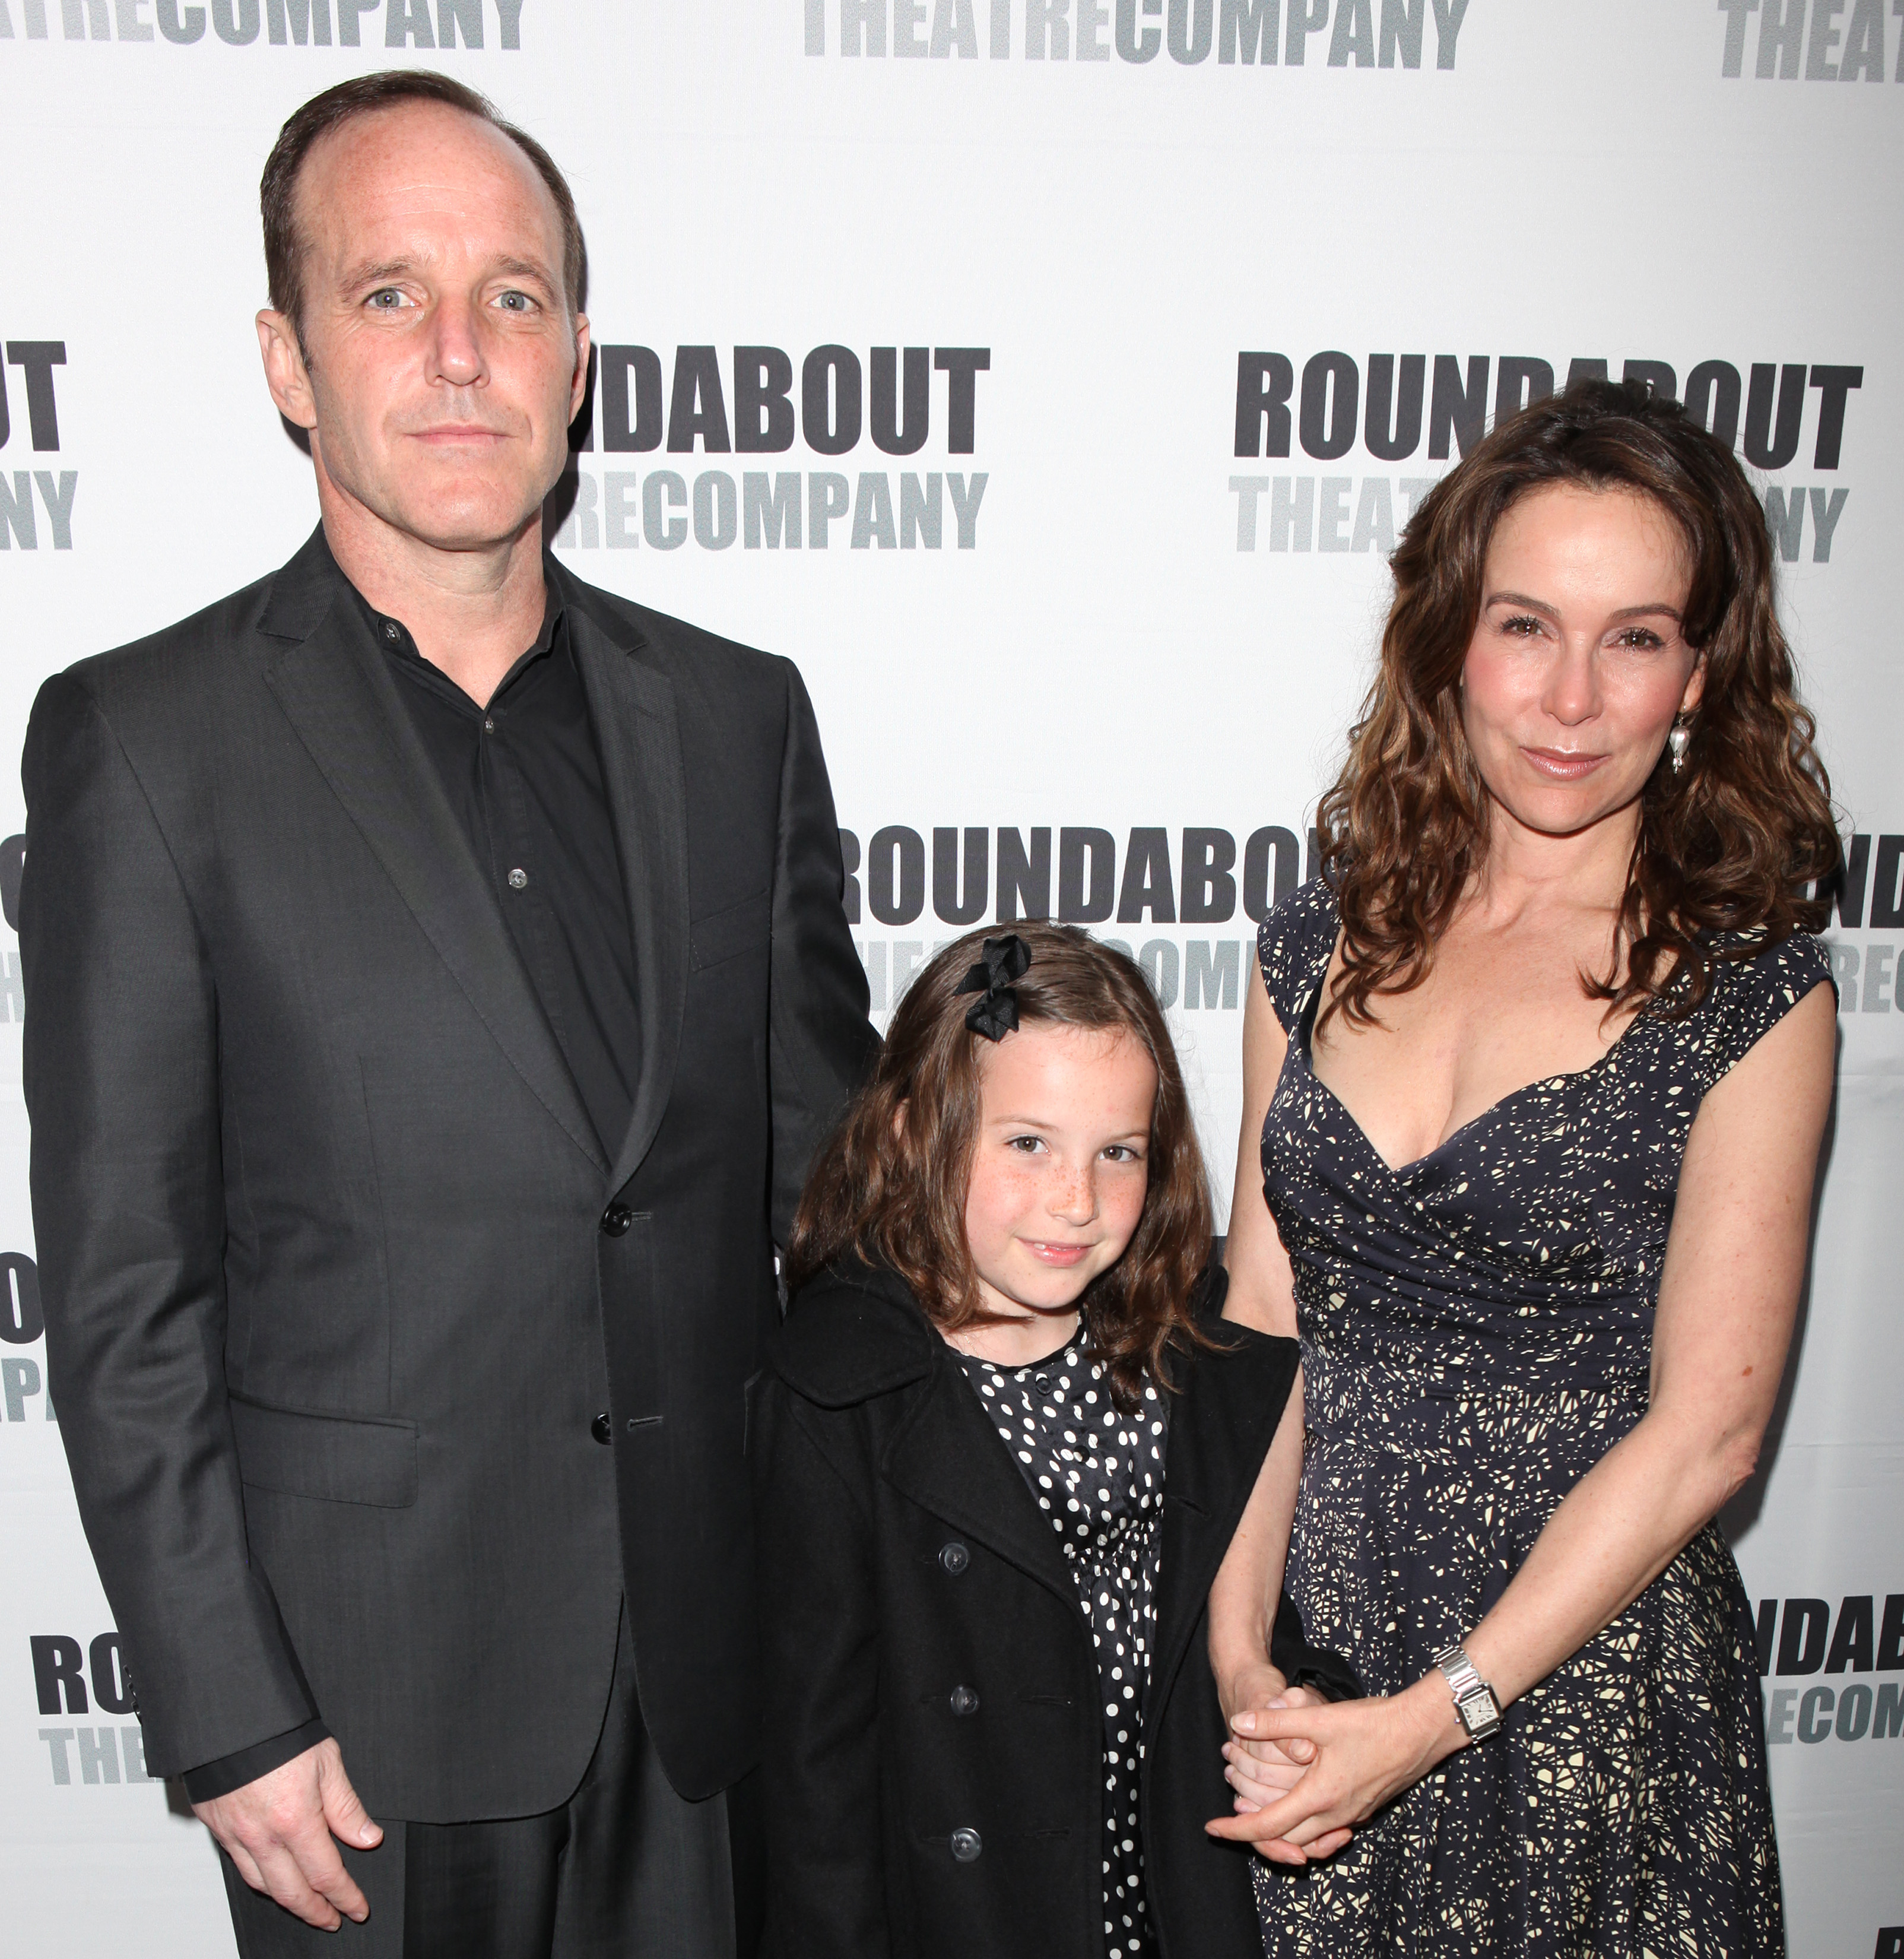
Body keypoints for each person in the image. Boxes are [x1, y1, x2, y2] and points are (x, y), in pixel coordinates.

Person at [20, 69, 874, 1959]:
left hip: (710, 1701)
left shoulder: (740, 720)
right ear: (288, 359)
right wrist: (226, 1707)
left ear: (579, 353)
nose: (464, 355)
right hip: (360, 1717)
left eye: (516, 295)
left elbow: (841, 1207)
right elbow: (126, 1293)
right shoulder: (145, 745)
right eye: (390, 294)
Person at [1205, 378, 1840, 1955]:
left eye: (1635, 635)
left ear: (1699, 670)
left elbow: (1711, 1432)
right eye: (1524, 626)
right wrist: (1234, 1653)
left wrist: (1441, 1711)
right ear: (1447, 643)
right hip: (1317, 1680)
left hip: (1584, 1706)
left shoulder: (1749, 991)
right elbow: (1261, 1324)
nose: (1571, 696)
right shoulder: (1312, 947)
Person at [749, 925, 1356, 1959]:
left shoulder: (1184, 1366)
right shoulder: (839, 1393)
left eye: (1116, 1152)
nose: (1077, 1202)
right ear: (909, 1134)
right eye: (1026, 1143)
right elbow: (816, 1790)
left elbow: (1243, 1631)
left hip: (1162, 1915)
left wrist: (1300, 1719)